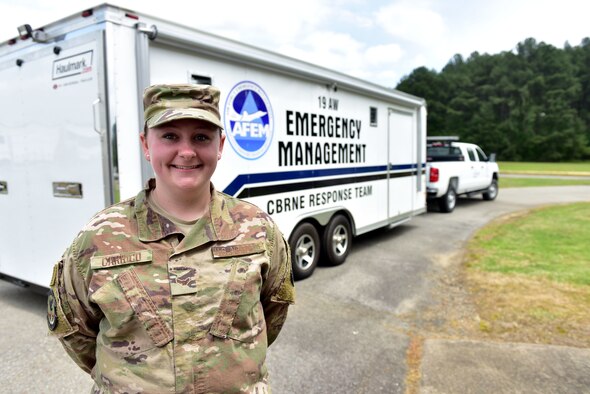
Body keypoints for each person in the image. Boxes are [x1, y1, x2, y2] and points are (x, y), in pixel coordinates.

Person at [47, 84, 295, 393]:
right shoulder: (99, 236)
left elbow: (272, 313)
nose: (187, 151)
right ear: (146, 145)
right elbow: (74, 329)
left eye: (201, 137)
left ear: (219, 145)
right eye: (170, 136)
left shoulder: (258, 229)